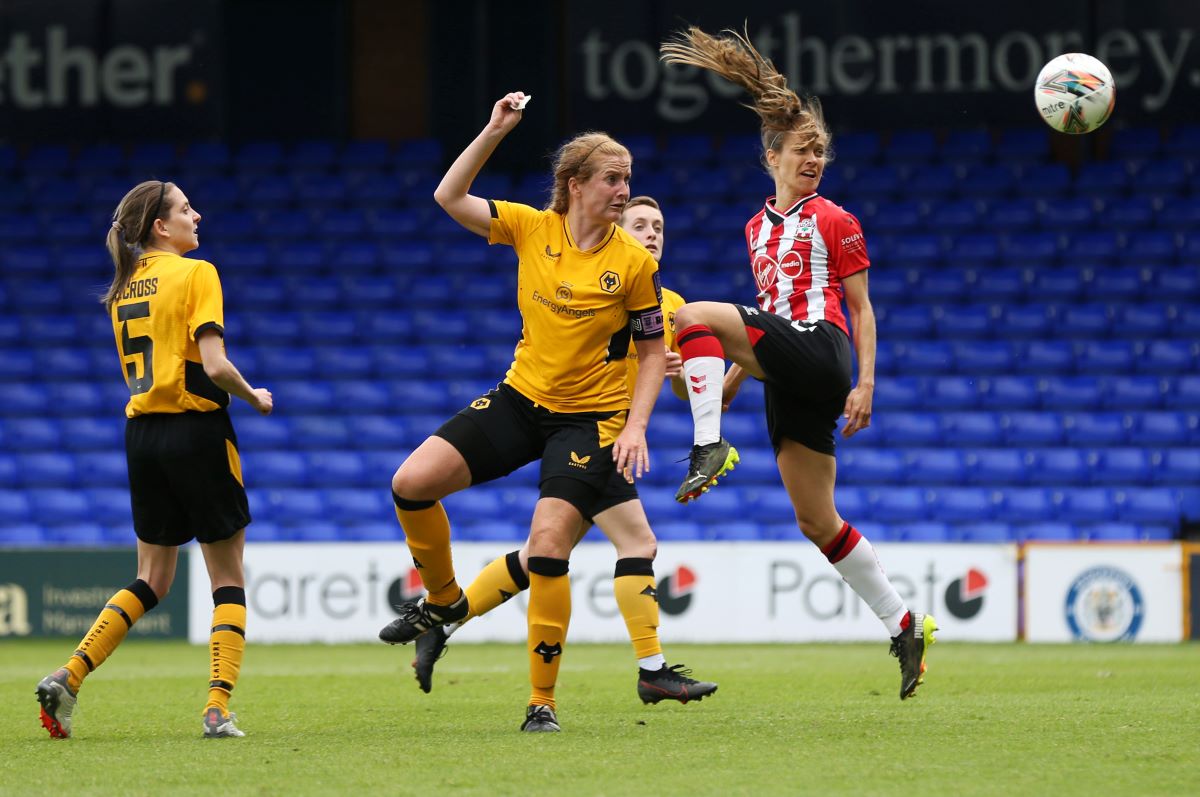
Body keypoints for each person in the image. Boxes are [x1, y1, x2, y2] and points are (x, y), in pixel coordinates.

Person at [378, 93, 674, 732]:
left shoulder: (632, 264)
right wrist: (493, 130)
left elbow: (653, 353)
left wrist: (636, 426)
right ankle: (443, 603)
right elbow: (449, 198)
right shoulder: (531, 226)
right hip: (518, 399)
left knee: (546, 545)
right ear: (575, 185)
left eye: (628, 179)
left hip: (585, 421)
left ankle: (542, 704)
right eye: (612, 179)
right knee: (411, 483)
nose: (624, 191)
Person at [660, 28, 937, 700]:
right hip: (786, 366)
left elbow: (861, 308)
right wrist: (729, 381)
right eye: (803, 150)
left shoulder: (836, 219)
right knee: (817, 520)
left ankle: (708, 446)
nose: (814, 158)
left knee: (691, 316)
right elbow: (765, 316)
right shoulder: (755, 229)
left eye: (821, 151)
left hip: (823, 349)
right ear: (773, 156)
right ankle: (903, 624)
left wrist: (867, 382)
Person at [408, 196, 716, 708]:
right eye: (641, 223)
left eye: (660, 225)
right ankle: (648, 672)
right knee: (623, 545)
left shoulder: (673, 306)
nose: (653, 233)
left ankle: (443, 622)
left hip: (609, 438)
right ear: (616, 225)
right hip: (591, 433)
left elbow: (686, 391)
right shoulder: (597, 276)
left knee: (549, 553)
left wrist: (691, 375)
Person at [35, 180, 273, 739]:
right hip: (197, 430)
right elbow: (214, 366)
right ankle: (217, 709)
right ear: (160, 228)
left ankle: (69, 675)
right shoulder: (197, 273)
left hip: (143, 436)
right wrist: (254, 395)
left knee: (152, 578)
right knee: (227, 577)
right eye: (186, 209)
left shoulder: (123, 286)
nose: (198, 215)